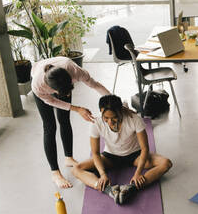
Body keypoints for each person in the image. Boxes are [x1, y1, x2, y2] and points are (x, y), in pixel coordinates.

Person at [72, 95, 172, 205]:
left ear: (121, 111)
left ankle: (131, 188)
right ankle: (109, 190)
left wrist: (138, 173)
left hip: (135, 156)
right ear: (101, 112)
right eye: (106, 118)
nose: (110, 122)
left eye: (114, 117)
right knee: (76, 169)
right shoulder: (96, 123)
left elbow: (145, 149)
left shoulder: (134, 119)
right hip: (110, 157)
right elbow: (95, 153)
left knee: (166, 163)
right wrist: (103, 174)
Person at [32, 56, 111, 189]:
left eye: (70, 91)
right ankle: (55, 173)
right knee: (50, 127)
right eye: (64, 93)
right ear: (55, 91)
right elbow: (52, 101)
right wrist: (78, 109)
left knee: (64, 120)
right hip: (43, 87)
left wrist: (113, 101)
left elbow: (95, 85)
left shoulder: (73, 69)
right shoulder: (38, 85)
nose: (68, 96)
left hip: (60, 80)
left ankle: (68, 157)